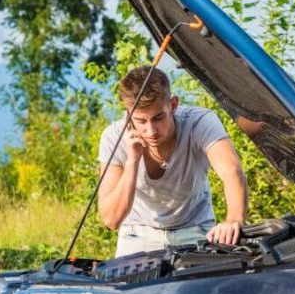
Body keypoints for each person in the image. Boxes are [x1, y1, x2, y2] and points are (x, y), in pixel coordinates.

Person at [97, 66, 248, 257]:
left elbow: (232, 171)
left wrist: (234, 219)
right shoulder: (114, 137)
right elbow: (111, 220)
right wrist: (133, 159)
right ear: (128, 116)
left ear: (173, 105)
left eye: (158, 118)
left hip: (196, 231)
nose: (151, 131)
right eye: (141, 121)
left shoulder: (200, 122)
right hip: (138, 234)